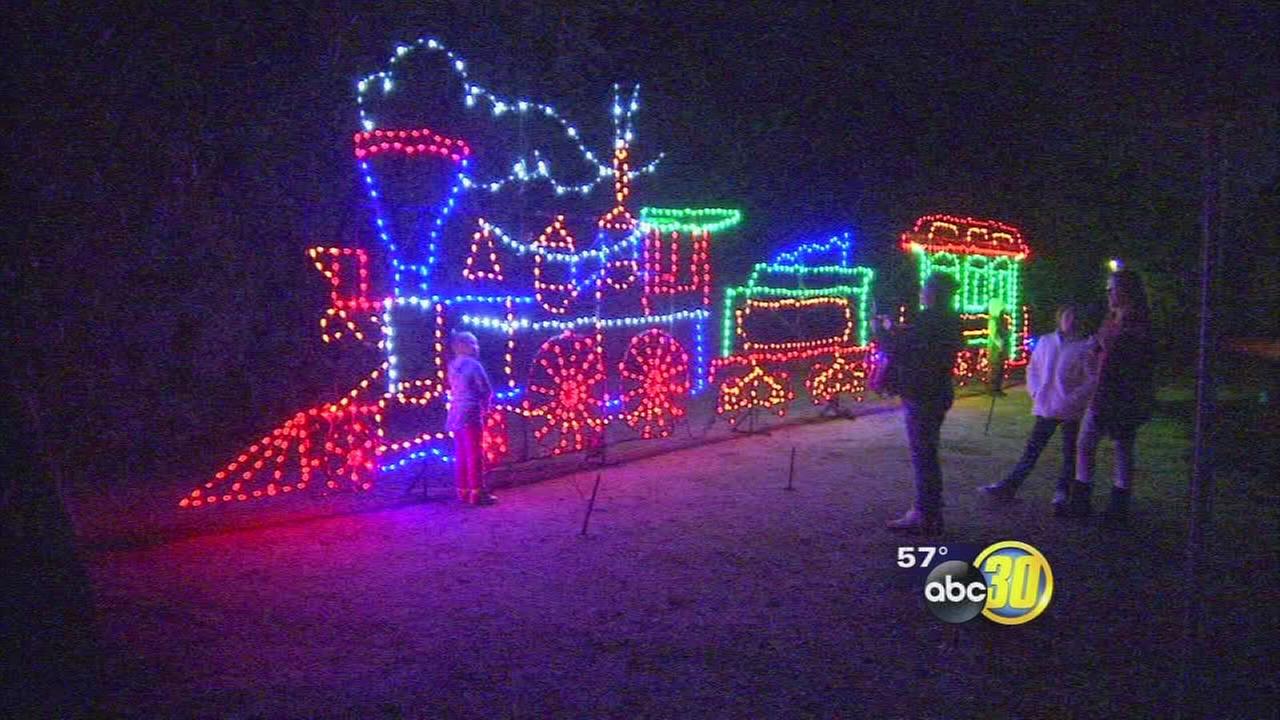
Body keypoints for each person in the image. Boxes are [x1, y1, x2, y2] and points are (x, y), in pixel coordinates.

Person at [979, 304, 1096, 513]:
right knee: (1032, 450)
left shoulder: (1084, 347)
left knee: (1070, 453)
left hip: (1070, 408)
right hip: (1046, 405)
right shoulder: (1046, 342)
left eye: (1073, 317)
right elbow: (1033, 368)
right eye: (1066, 316)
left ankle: (1062, 492)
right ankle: (1010, 486)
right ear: (1059, 318)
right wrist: (1035, 391)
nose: (1069, 321)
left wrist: (1074, 398)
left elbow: (1091, 379)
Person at [1064, 270, 1155, 523]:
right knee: (1096, 443)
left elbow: (1133, 356)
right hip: (1106, 390)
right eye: (1107, 289)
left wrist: (1107, 345)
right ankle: (1094, 500)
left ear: (1126, 291)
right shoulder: (1113, 319)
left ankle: (1111, 503)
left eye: (1113, 289)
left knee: (1115, 444)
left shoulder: (1136, 322)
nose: (1109, 294)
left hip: (1121, 392)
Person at [883, 273, 965, 535]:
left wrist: (884, 333)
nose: (921, 293)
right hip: (940, 390)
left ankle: (925, 514)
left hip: (921, 392)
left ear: (933, 292)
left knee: (923, 455)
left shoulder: (928, 318)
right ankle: (931, 510)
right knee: (928, 452)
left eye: (924, 289)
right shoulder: (952, 320)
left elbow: (903, 350)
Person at [447, 331, 496, 506]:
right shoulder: (474, 365)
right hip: (470, 411)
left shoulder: (452, 366)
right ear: (463, 345)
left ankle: (462, 490)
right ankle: (477, 491)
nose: (477, 347)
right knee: (475, 453)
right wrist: (486, 407)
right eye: (472, 343)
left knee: (461, 453)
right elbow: (485, 389)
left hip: (454, 412)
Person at [986, 297, 1012, 395]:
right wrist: (1000, 343)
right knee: (995, 367)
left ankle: (997, 388)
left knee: (1000, 367)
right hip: (996, 347)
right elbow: (993, 334)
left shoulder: (999, 319)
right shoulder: (994, 320)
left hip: (999, 346)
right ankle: (993, 388)